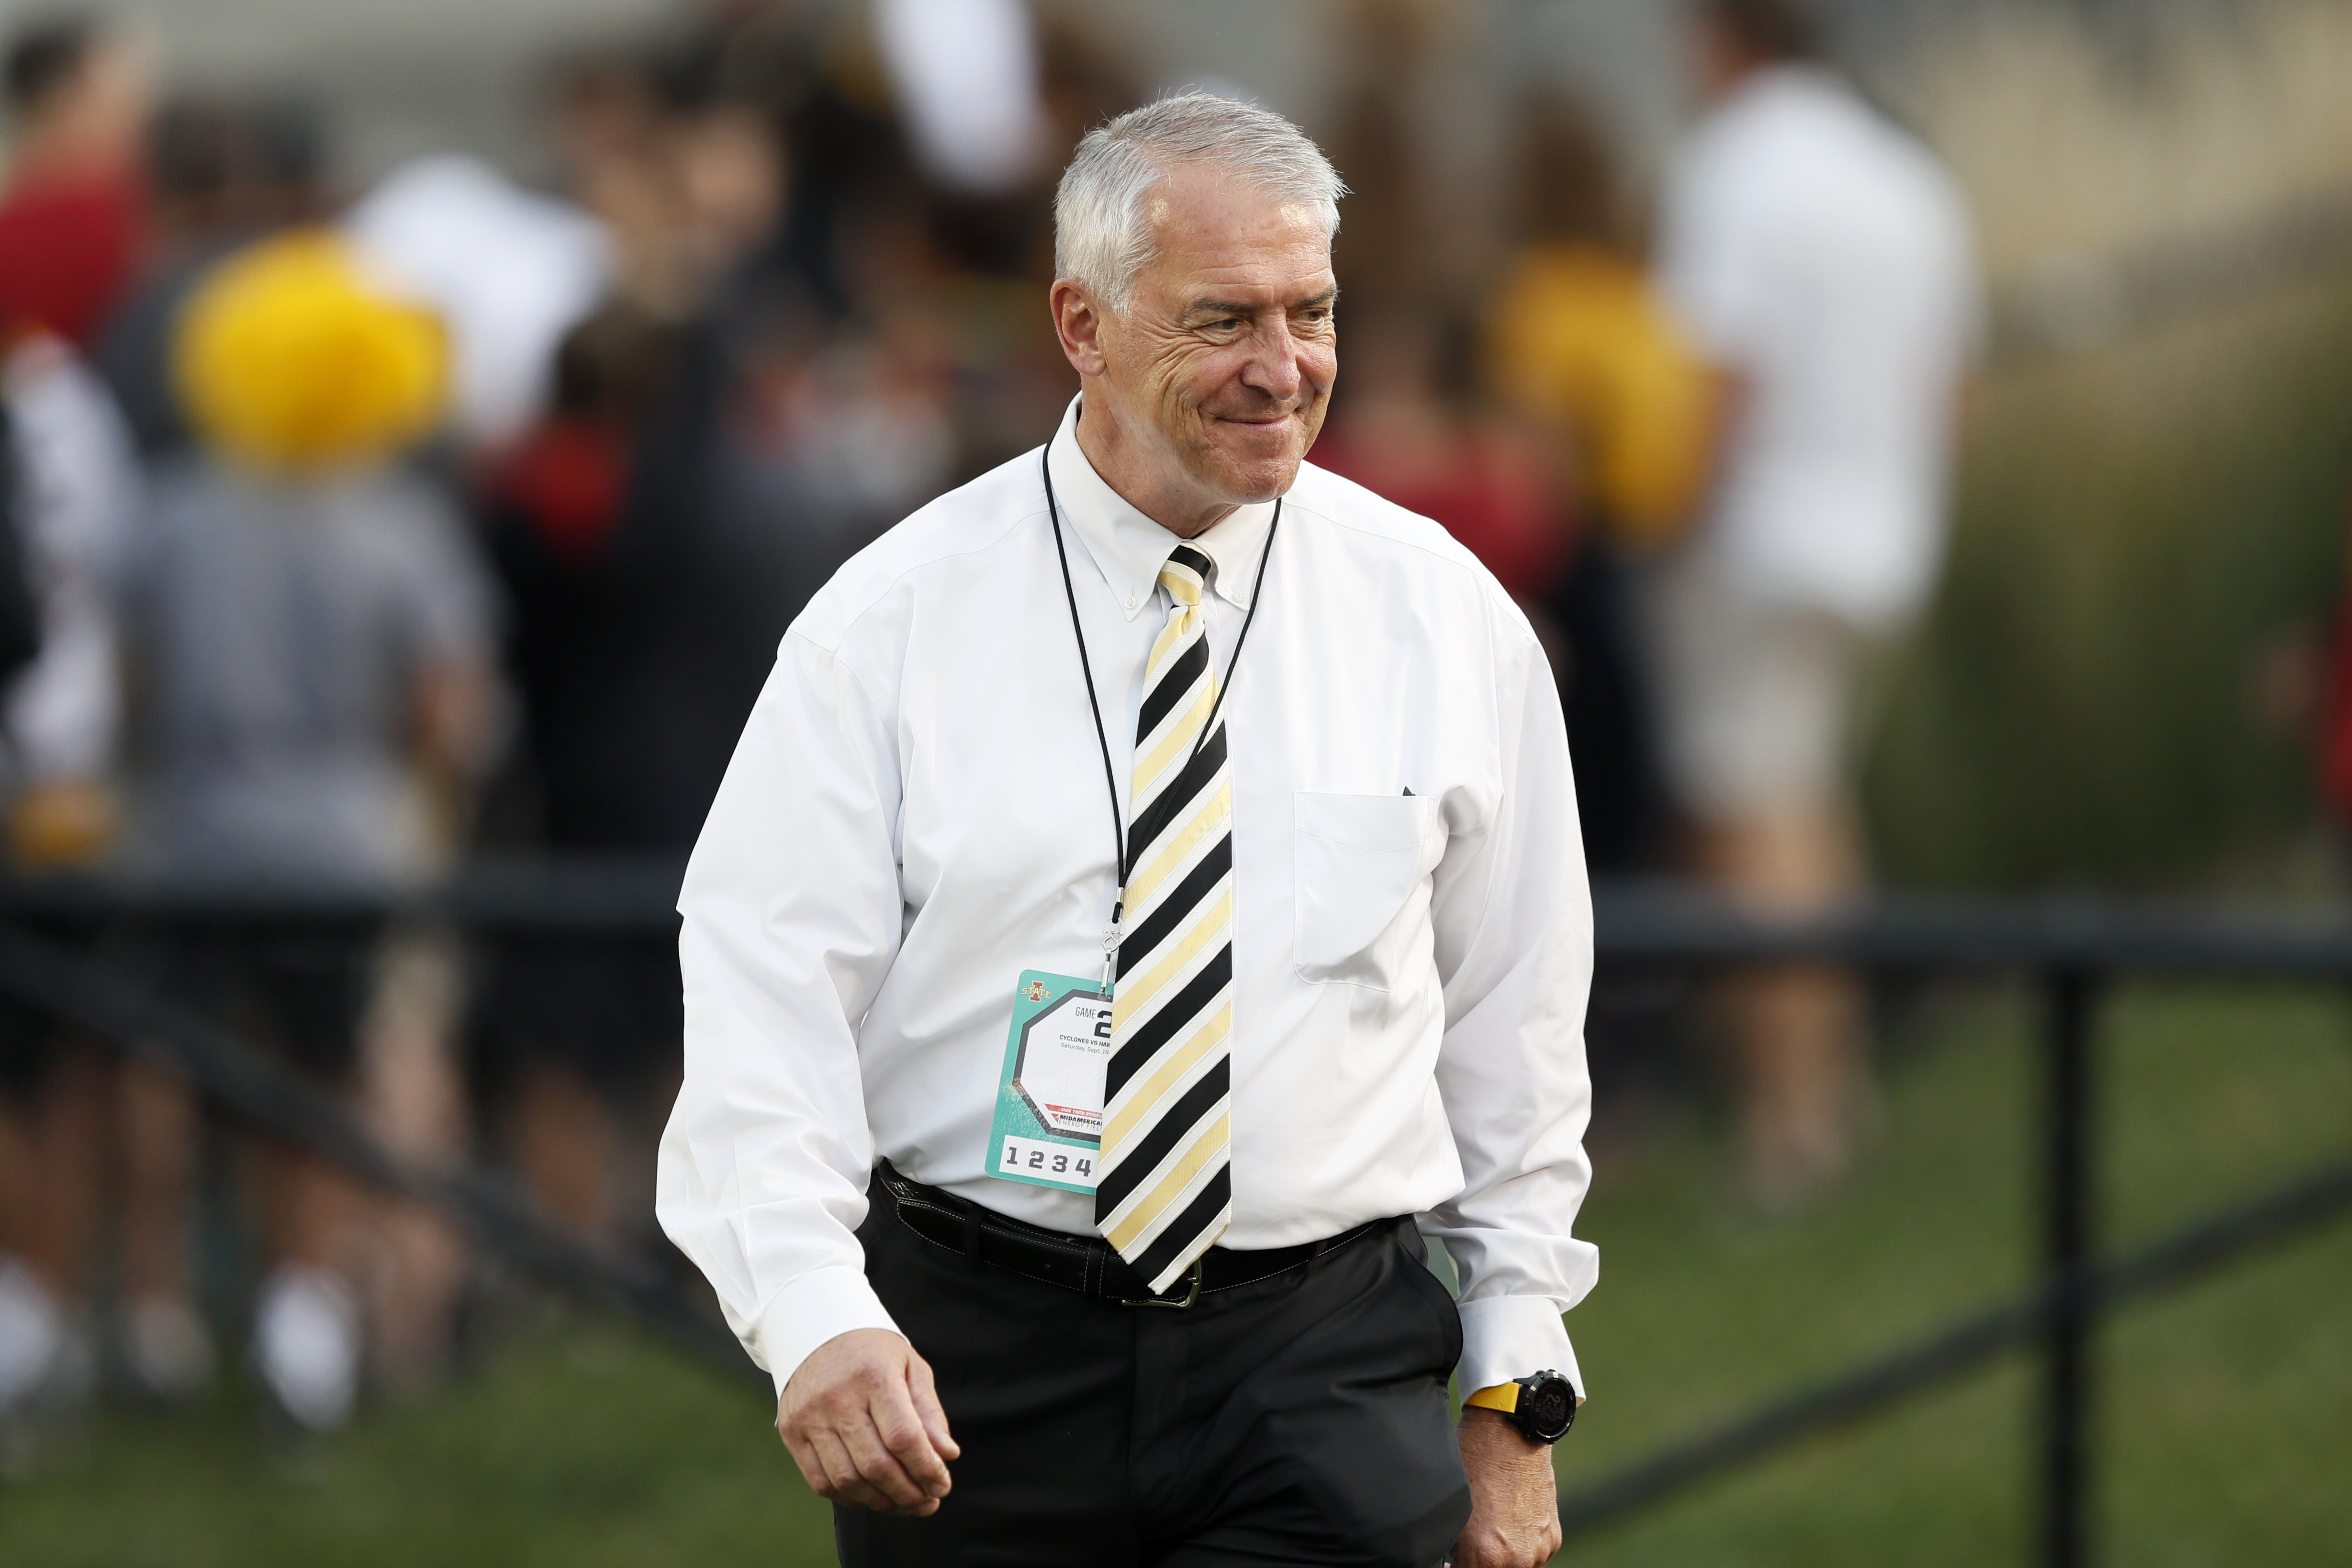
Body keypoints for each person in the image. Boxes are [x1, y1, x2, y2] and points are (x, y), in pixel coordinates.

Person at [659, 94, 1596, 1568]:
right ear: (1081, 325)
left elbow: (1518, 1037)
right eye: (1223, 319)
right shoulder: (889, 625)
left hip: (1323, 1365)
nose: (1282, 370)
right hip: (976, 1374)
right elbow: (762, 988)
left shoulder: (1445, 619)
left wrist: (1514, 1385)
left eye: (1314, 313)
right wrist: (812, 1309)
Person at [117, 230, 496, 1431]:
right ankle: (310, 1324)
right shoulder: (400, 523)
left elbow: (133, 686)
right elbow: (448, 711)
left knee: (170, 1078)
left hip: (189, 846)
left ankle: (155, 1317)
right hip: (346, 847)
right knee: (326, 1090)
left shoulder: (171, 516)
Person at [1652, 0, 1977, 1201]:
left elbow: (1721, 379)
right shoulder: (1904, 174)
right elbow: (1950, 383)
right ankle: (1833, 1094)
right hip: (1884, 537)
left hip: (1765, 544)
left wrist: (1670, 523)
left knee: (1760, 832)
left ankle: (1793, 1125)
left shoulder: (1733, 165)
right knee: (1814, 815)